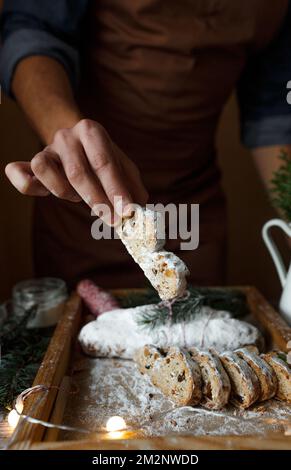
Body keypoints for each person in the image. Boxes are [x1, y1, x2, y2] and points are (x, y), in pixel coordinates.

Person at [1, 0, 291, 289]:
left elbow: (274, 116)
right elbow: (32, 31)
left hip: (193, 209)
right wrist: (63, 129)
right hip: (86, 200)